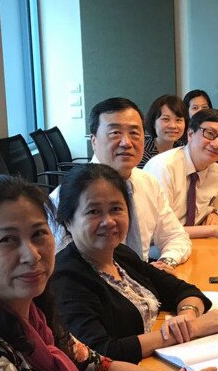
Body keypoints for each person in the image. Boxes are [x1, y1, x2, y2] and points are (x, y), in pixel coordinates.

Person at [0, 175, 218, 371]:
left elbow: (94, 367)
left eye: (38, 234)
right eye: (7, 240)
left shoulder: (34, 313)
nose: (32, 254)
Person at [52, 164, 218, 371]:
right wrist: (193, 329)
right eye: (93, 212)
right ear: (68, 220)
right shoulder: (67, 278)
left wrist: (187, 315)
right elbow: (102, 354)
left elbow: (184, 290)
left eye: (116, 209)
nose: (109, 221)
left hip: (158, 369)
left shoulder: (120, 255)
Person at [49, 97, 191, 272]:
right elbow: (56, 264)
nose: (126, 142)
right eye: (115, 133)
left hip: (142, 284)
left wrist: (165, 263)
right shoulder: (66, 195)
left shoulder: (148, 183)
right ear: (94, 140)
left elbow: (175, 236)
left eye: (134, 133)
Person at [144, 109, 218, 240]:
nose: (216, 144)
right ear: (190, 134)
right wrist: (214, 230)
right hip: (158, 253)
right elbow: (157, 232)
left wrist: (214, 214)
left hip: (199, 246)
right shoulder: (163, 168)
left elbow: (213, 209)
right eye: (209, 134)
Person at [138, 95, 189, 168]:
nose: (173, 126)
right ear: (153, 122)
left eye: (178, 120)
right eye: (166, 119)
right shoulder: (142, 155)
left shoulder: (184, 149)